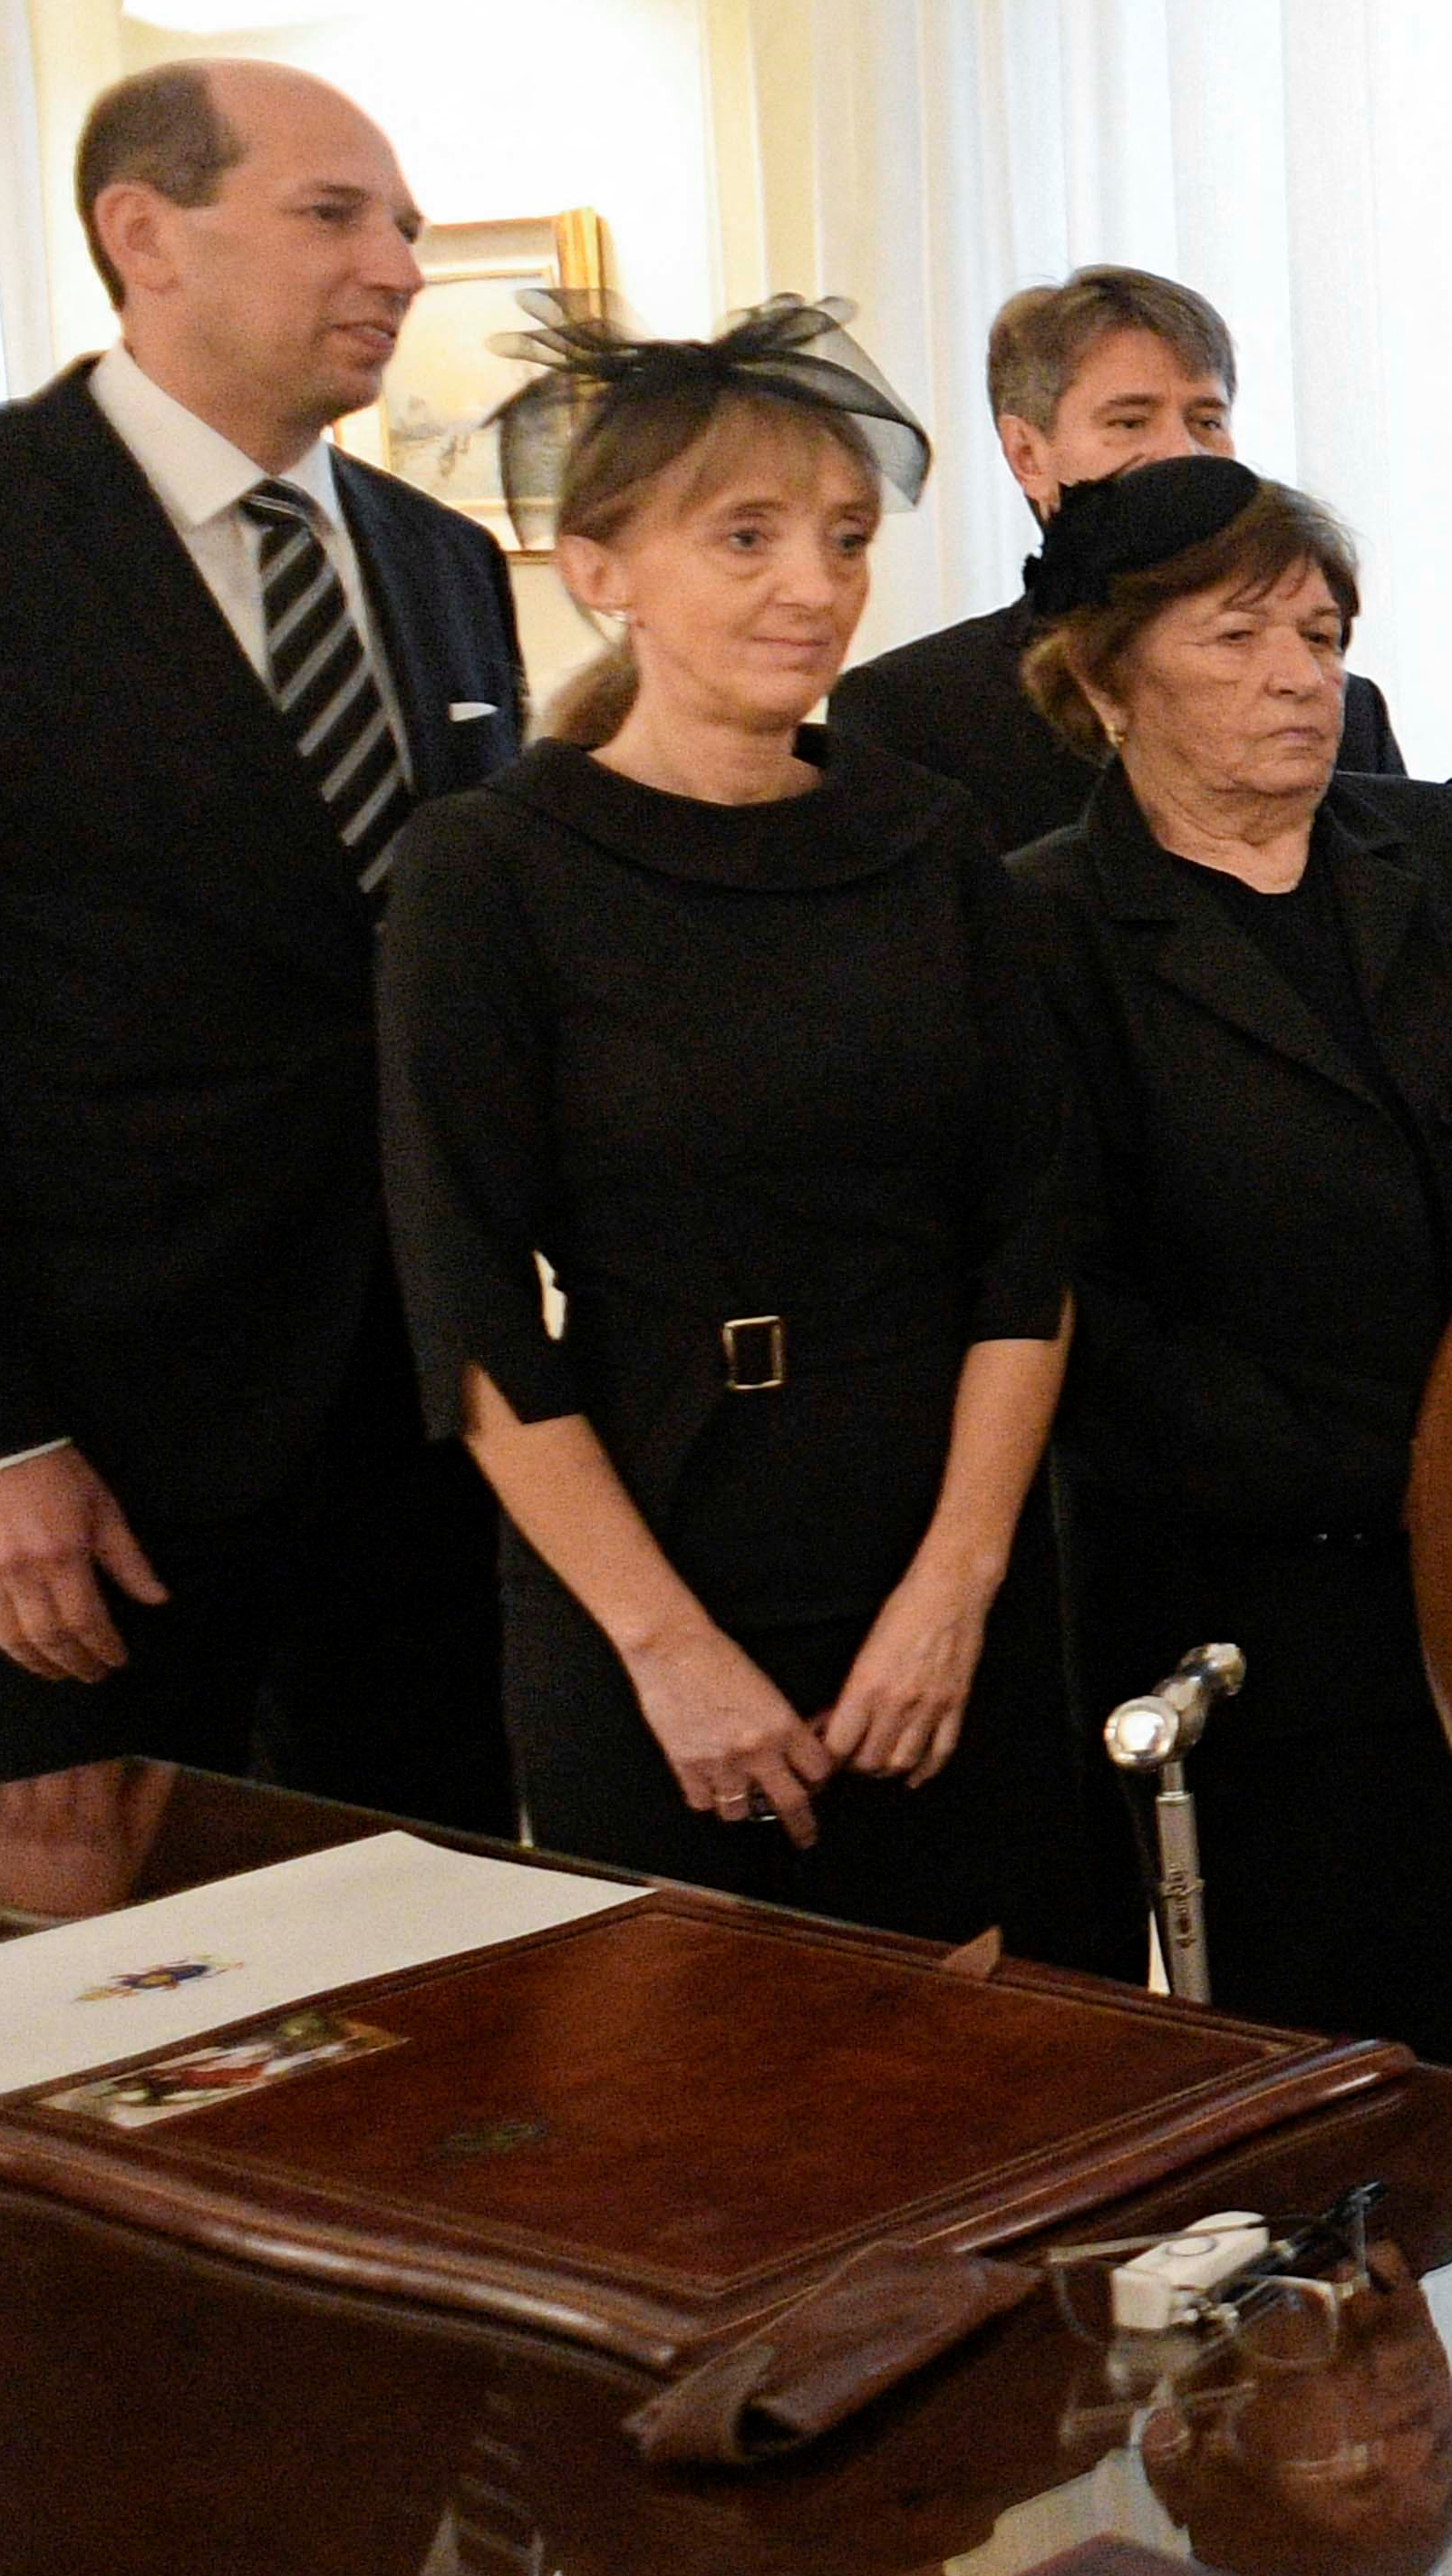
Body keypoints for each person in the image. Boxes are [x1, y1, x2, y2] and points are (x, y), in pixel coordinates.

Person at [0, 58, 526, 1825]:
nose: (399, 262)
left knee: (448, 1984)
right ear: (142, 232)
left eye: (404, 220)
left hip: (425, 1447)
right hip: (87, 1448)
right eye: (336, 212)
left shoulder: (445, 563)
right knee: (105, 2004)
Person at [378, 304, 1125, 1965]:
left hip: (939, 1547)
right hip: (645, 1549)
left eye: (847, 539)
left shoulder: (928, 837)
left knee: (1010, 2089)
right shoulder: (489, 870)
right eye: (748, 536)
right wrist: (666, 1652)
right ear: (600, 566)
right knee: (693, 2111)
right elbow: (471, 1303)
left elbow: (1028, 1239)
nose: (816, 585)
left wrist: (956, 1590)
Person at [1011, 456, 1452, 2077]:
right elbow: (1082, 1312)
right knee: (1327, 2080)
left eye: (1322, 631)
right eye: (1237, 638)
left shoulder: (1444, 848)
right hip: (1254, 1611)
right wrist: (1379, 1479)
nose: (1300, 676)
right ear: (1104, 679)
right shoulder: (1044, 927)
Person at [822, 266, 1409, 848]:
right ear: (1027, 454)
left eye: (1206, 420)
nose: (1182, 452)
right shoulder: (913, 711)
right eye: (1129, 421)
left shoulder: (1341, 710)